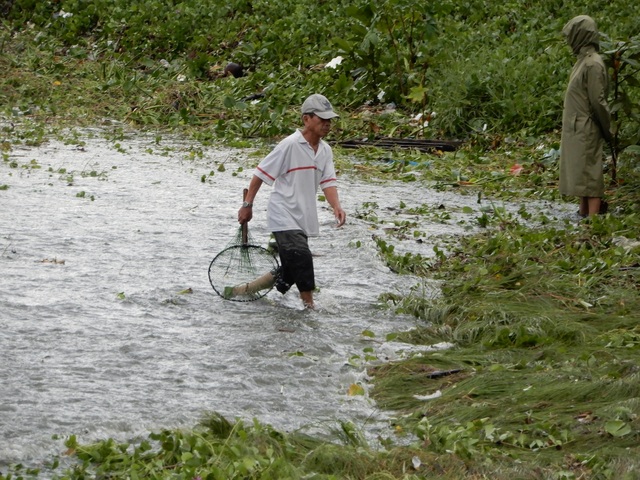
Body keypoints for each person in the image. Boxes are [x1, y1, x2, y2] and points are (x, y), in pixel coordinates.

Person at [237, 94, 346, 309]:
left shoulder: (325, 150)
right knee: (302, 256)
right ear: (306, 119)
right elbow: (260, 174)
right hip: (282, 213)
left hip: (303, 217)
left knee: (290, 269)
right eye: (322, 119)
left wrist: (337, 207)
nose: (327, 124)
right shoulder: (289, 145)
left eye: (329, 120)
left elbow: (328, 182)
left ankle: (243, 292)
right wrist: (247, 205)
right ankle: (309, 306)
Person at [559, 15, 612, 218]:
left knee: (590, 178)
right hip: (577, 129)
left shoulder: (592, 64)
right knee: (582, 179)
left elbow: (598, 101)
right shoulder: (582, 61)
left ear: (580, 35)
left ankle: (592, 224)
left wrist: (608, 130)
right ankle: (583, 219)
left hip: (586, 129)